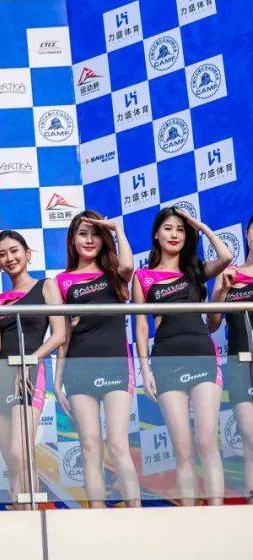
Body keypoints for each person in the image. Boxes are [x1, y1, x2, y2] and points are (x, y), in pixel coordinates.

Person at [134, 207, 231, 506]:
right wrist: (145, 370)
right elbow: (140, 328)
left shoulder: (194, 270)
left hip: (202, 355)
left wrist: (201, 227)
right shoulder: (143, 276)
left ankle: (217, 516)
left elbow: (226, 257)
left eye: (180, 229)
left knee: (207, 442)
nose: (174, 234)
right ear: (156, 234)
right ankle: (189, 519)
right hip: (165, 360)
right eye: (168, 228)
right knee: (183, 449)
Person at [53, 210, 140, 508]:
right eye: (82, 234)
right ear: (72, 240)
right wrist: (57, 381)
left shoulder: (114, 272)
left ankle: (137, 517)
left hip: (116, 364)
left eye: (95, 234)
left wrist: (117, 229)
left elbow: (128, 265)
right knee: (90, 447)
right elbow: (62, 335)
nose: (89, 240)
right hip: (78, 368)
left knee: (117, 445)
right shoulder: (61, 281)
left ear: (103, 239)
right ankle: (97, 519)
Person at [0, 230, 66, 507]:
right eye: (2, 254)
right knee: (10, 460)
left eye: (14, 251)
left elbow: (59, 334)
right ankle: (17, 513)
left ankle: (31, 515)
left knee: (20, 451)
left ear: (27, 254)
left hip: (29, 374)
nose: (9, 258)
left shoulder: (45, 286)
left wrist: (29, 361)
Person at [210, 215, 253, 501]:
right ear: (248, 234)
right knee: (250, 441)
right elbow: (212, 324)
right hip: (240, 364)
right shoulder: (230, 274)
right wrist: (223, 291)